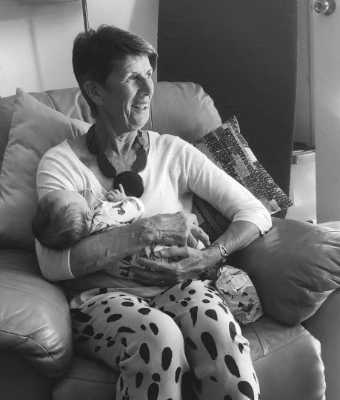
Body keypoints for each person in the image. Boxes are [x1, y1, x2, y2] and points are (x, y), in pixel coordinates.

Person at [35, 25, 272, 400]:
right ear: (95, 91)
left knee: (218, 331)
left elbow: (255, 212)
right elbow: (52, 264)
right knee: (158, 336)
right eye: (133, 78)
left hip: (181, 284)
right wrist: (146, 231)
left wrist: (208, 256)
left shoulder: (173, 151)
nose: (148, 90)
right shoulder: (60, 165)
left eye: (149, 74)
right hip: (102, 297)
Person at [32, 188, 263, 326]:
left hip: (146, 275)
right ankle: (225, 283)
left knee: (207, 305)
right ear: (85, 215)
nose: (81, 192)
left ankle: (215, 277)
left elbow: (256, 212)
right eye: (75, 195)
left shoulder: (81, 242)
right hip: (169, 254)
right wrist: (123, 200)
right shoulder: (102, 215)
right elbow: (136, 208)